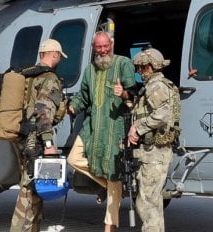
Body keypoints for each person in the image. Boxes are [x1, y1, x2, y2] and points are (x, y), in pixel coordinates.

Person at [67, 31, 136, 232]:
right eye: (99, 47)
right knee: (73, 159)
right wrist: (72, 106)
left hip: (115, 129)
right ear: (93, 48)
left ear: (111, 44)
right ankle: (106, 185)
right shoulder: (89, 70)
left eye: (106, 46)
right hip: (92, 127)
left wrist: (123, 93)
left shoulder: (123, 64)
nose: (103, 50)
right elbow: (84, 97)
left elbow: (135, 93)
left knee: (114, 177)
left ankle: (109, 226)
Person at [10, 38, 67, 232]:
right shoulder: (50, 79)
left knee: (34, 189)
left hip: (22, 137)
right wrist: (49, 143)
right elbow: (43, 112)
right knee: (28, 192)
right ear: (54, 54)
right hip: (37, 140)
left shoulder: (27, 75)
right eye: (59, 56)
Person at [128, 47, 179, 232]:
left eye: (141, 68)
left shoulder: (155, 86)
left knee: (147, 203)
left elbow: (163, 114)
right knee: (152, 201)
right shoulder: (158, 85)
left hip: (155, 153)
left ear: (150, 66)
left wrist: (137, 128)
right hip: (155, 152)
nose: (139, 72)